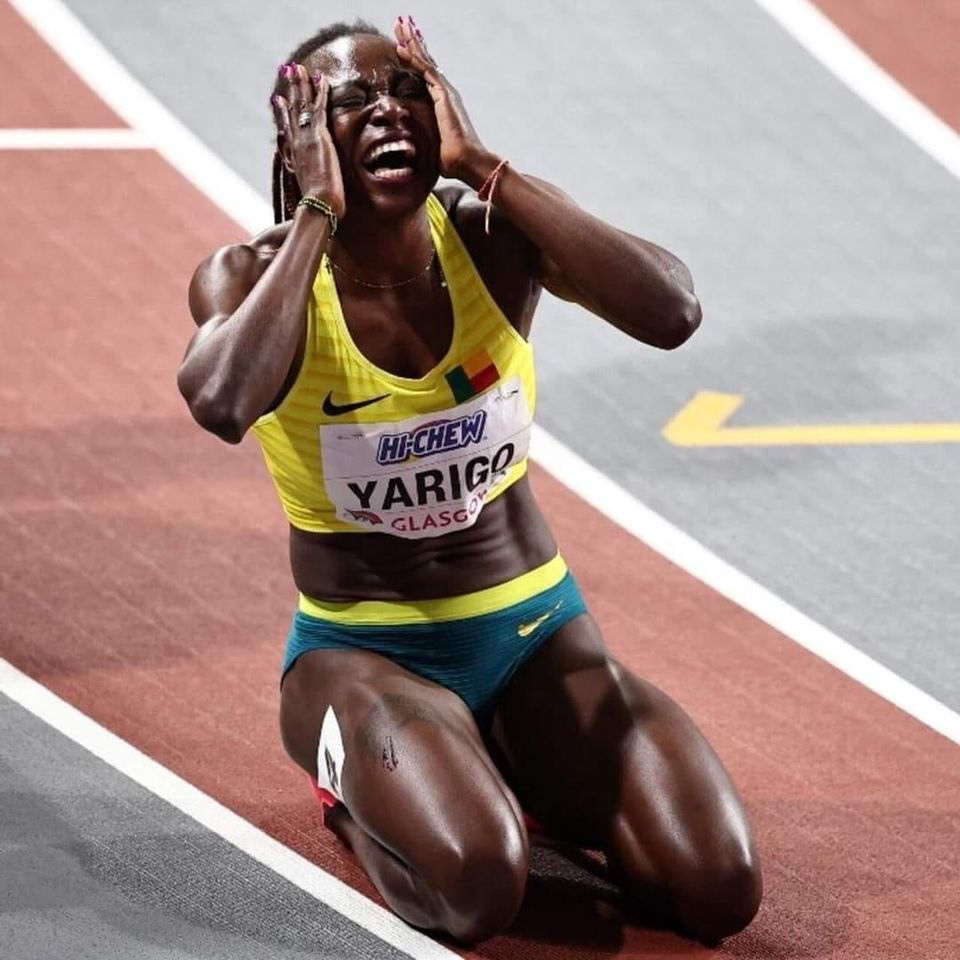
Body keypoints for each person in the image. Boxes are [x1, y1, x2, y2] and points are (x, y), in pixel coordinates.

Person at [177, 15, 761, 945]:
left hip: (536, 635)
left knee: (719, 888)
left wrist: (487, 164)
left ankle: (502, 756)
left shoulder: (494, 237)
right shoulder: (249, 275)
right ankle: (357, 789)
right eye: (349, 103)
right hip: (369, 654)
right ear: (300, 139)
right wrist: (315, 219)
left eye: (405, 91)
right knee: (481, 890)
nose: (385, 115)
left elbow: (672, 310)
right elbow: (221, 401)